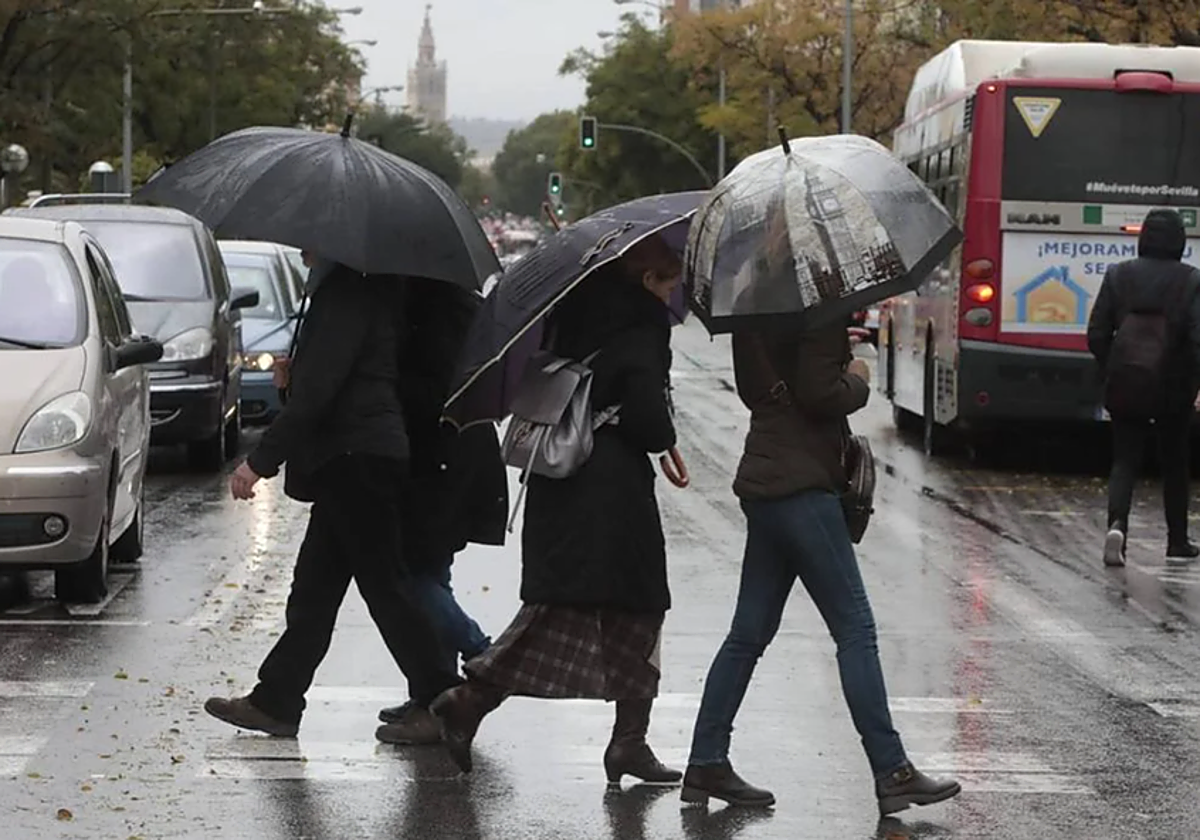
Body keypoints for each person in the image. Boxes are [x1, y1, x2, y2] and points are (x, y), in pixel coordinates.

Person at [679, 320, 961, 814]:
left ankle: (706, 761)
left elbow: (760, 391)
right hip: (804, 487)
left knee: (748, 633)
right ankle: (892, 770)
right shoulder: (814, 305)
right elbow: (820, 393)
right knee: (855, 629)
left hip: (766, 478)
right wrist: (856, 374)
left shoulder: (752, 305)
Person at [430, 236, 682, 783]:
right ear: (646, 281)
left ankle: (626, 742)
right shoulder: (644, 325)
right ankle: (473, 698)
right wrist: (665, 435)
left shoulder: (568, 314)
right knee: (617, 608)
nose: (673, 291)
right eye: (669, 280)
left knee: (582, 607)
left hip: (561, 478)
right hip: (610, 492)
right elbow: (644, 414)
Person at [204, 257, 462, 738]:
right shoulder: (359, 288)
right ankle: (277, 699)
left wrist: (260, 461)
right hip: (350, 456)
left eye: (311, 238)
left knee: (385, 588)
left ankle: (444, 700)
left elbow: (321, 392)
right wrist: (294, 376)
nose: (303, 247)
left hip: (355, 456)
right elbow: (334, 377)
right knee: (315, 591)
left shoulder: (347, 293)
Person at [376, 278, 508, 745]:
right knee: (432, 570)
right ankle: (435, 692)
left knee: (413, 577)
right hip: (457, 453)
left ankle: (485, 655)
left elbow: (429, 388)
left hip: (438, 458)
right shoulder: (463, 304)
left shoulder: (433, 312)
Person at [1087, 208, 1200, 567]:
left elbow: (1096, 334)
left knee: (1124, 459)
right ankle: (1177, 540)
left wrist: (1114, 366)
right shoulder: (1192, 281)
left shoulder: (1118, 275)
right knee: (1175, 461)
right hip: (1175, 386)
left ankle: (1117, 526)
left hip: (1127, 382)